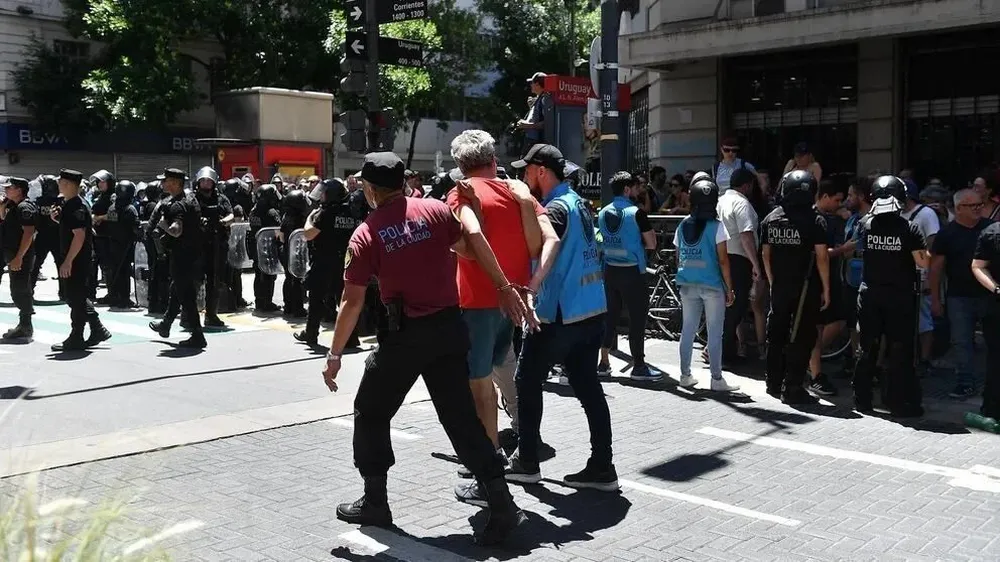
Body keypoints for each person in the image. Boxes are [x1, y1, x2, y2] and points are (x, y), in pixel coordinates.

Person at [320, 152, 525, 545]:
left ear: (369, 188)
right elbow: (468, 247)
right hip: (449, 329)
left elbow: (352, 300)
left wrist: (334, 355)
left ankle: (375, 501)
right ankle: (502, 504)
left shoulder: (367, 233)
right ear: (403, 183)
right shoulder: (435, 211)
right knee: (461, 420)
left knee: (371, 412)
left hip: (404, 336)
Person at [444, 130, 555, 505]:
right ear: (493, 158)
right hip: (511, 305)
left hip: (478, 303)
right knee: (496, 375)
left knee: (480, 391)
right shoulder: (516, 191)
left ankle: (489, 480)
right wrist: (519, 285)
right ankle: (497, 464)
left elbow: (472, 237)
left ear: (461, 165)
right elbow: (540, 244)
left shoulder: (463, 193)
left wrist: (501, 284)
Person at [505, 144, 618, 492]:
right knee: (588, 388)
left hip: (559, 314)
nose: (524, 177)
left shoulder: (553, 209)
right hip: (591, 311)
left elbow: (539, 247)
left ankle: (527, 461)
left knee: (525, 382)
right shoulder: (578, 203)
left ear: (540, 171)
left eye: (526, 171)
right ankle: (602, 466)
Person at [853, 175, 929, 417]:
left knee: (867, 348)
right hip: (900, 297)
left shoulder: (864, 224)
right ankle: (896, 402)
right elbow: (922, 262)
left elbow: (859, 249)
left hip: (870, 294)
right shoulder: (910, 228)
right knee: (899, 349)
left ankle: (862, 400)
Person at [760, 170, 830, 405]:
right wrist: (827, 289)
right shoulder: (815, 220)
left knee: (776, 333)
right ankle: (793, 387)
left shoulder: (771, 219)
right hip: (805, 289)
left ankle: (773, 381)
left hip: (779, 286)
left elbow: (766, 255)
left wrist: (772, 282)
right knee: (802, 336)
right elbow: (822, 257)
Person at [674, 176, 736, 389]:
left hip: (687, 284)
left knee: (687, 330)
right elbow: (723, 260)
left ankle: (684, 375)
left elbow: (678, 254)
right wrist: (729, 288)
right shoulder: (717, 227)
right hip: (712, 286)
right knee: (714, 332)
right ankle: (716, 379)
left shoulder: (682, 225)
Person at [929, 188, 992, 399]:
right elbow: (936, 268)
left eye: (979, 204)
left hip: (990, 294)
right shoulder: (947, 234)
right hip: (959, 296)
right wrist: (935, 299)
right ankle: (965, 381)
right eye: (972, 205)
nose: (978, 209)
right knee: (961, 341)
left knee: (993, 340)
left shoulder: (991, 229)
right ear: (958, 208)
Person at [597, 171, 658, 380]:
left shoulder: (602, 212)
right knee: (637, 318)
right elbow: (651, 243)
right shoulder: (637, 213)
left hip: (610, 269)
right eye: (633, 187)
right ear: (626, 189)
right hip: (633, 270)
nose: (636, 190)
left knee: (610, 316)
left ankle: (603, 362)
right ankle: (639, 365)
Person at [294, 179, 362, 347]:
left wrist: (310, 218)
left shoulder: (325, 213)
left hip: (323, 262)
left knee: (316, 300)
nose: (321, 196)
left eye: (324, 193)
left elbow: (309, 234)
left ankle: (311, 335)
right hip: (345, 262)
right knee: (344, 301)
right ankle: (352, 337)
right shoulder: (351, 212)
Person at [50, 169, 111, 351]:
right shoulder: (71, 203)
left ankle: (76, 336)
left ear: (68, 184)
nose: (58, 184)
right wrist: (57, 219)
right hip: (76, 257)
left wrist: (68, 261)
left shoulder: (76, 205)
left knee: (75, 298)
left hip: (77, 259)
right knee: (75, 297)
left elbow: (79, 235)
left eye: (60, 181)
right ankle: (97, 328)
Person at [150, 168, 207, 349]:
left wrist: (163, 224)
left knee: (186, 295)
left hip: (182, 256)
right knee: (177, 289)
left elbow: (176, 230)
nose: (162, 183)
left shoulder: (177, 205)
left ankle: (197, 334)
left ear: (175, 183)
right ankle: (166, 324)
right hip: (193, 254)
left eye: (165, 180)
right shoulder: (189, 199)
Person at [716, 167, 761, 364]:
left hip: (721, 257)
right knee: (737, 306)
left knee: (726, 306)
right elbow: (746, 235)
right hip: (738, 260)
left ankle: (723, 350)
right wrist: (755, 264)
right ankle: (724, 352)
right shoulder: (742, 203)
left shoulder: (720, 201)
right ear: (747, 185)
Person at [807, 178, 847, 396]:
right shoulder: (816, 220)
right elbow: (821, 253)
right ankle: (814, 369)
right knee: (818, 326)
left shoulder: (832, 218)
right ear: (823, 197)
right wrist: (843, 249)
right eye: (836, 200)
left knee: (837, 320)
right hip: (820, 279)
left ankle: (813, 363)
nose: (839, 204)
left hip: (830, 278)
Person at [900, 178, 940, 375]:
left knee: (924, 319)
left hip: (921, 271)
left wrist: (927, 276)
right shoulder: (897, 214)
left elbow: (933, 244)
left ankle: (925, 358)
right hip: (901, 273)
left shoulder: (926, 214)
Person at [0, 177, 38, 340]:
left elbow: (29, 233)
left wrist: (19, 257)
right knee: (17, 289)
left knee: (20, 290)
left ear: (20, 190)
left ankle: (26, 326)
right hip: (12, 253)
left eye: (10, 188)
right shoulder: (13, 206)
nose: (6, 190)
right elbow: (3, 219)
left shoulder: (25, 207)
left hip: (20, 254)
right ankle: (23, 325)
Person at [971, 221, 1000, 425]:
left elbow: (978, 266)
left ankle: (992, 409)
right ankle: (992, 408)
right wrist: (997, 289)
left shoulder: (991, 231)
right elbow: (977, 266)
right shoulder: (992, 233)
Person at [105, 180, 140, 309]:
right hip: (126, 244)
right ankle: (124, 298)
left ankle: (114, 295)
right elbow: (136, 227)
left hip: (113, 243)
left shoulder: (112, 207)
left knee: (115, 270)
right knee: (124, 271)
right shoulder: (130, 209)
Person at [249, 184, 282, 312]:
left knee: (258, 274)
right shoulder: (271, 212)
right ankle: (267, 302)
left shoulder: (253, 210)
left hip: (256, 248)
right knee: (269, 275)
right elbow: (279, 228)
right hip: (268, 248)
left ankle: (259, 301)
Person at [279, 188, 310, 317]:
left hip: (286, 251)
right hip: (296, 253)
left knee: (288, 278)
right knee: (297, 280)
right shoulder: (300, 219)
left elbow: (281, 236)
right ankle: (298, 309)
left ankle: (288, 306)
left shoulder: (286, 217)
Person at [30, 175, 62, 296]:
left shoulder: (40, 201)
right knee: (58, 264)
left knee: (36, 265)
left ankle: (29, 291)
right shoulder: (61, 201)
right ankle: (64, 292)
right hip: (54, 237)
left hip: (46, 236)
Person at [515, 72, 550, 147]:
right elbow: (538, 117)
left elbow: (547, 123)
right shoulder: (539, 98)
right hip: (532, 141)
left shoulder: (544, 99)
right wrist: (531, 107)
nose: (531, 85)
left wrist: (527, 125)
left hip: (536, 142)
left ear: (537, 84)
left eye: (532, 83)